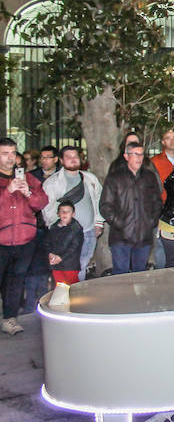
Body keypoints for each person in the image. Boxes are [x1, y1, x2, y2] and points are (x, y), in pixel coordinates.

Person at [0, 137, 49, 335]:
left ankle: (10, 319)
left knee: (16, 281)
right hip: (2, 240)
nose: (10, 157)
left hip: (24, 240)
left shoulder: (27, 178)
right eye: (5, 153)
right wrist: (8, 192)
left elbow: (41, 202)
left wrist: (27, 192)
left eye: (13, 152)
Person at [99, 142, 164, 275]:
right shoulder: (114, 177)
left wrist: (151, 221)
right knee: (121, 274)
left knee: (139, 273)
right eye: (135, 154)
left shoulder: (149, 177)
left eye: (141, 154)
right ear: (126, 156)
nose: (139, 158)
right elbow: (105, 205)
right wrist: (121, 223)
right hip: (120, 236)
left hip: (143, 235)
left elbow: (157, 202)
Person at [41, 146, 104, 281]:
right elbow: (47, 208)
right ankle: (68, 296)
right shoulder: (52, 183)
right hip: (65, 235)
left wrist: (98, 223)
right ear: (62, 161)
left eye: (75, 156)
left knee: (82, 265)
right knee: (67, 267)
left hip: (88, 232)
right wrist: (58, 228)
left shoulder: (90, 179)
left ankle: (77, 296)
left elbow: (99, 200)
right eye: (68, 157)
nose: (73, 160)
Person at [46, 201, 84, 286]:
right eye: (62, 211)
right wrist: (50, 254)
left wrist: (61, 257)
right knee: (59, 288)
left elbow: (74, 247)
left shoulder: (76, 228)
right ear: (58, 214)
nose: (65, 214)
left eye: (68, 211)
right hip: (56, 264)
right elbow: (48, 243)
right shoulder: (53, 227)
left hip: (70, 265)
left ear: (73, 214)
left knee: (73, 288)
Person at [150, 130, 174, 197]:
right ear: (163, 142)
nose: (172, 141)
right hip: (161, 203)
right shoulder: (154, 161)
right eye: (168, 138)